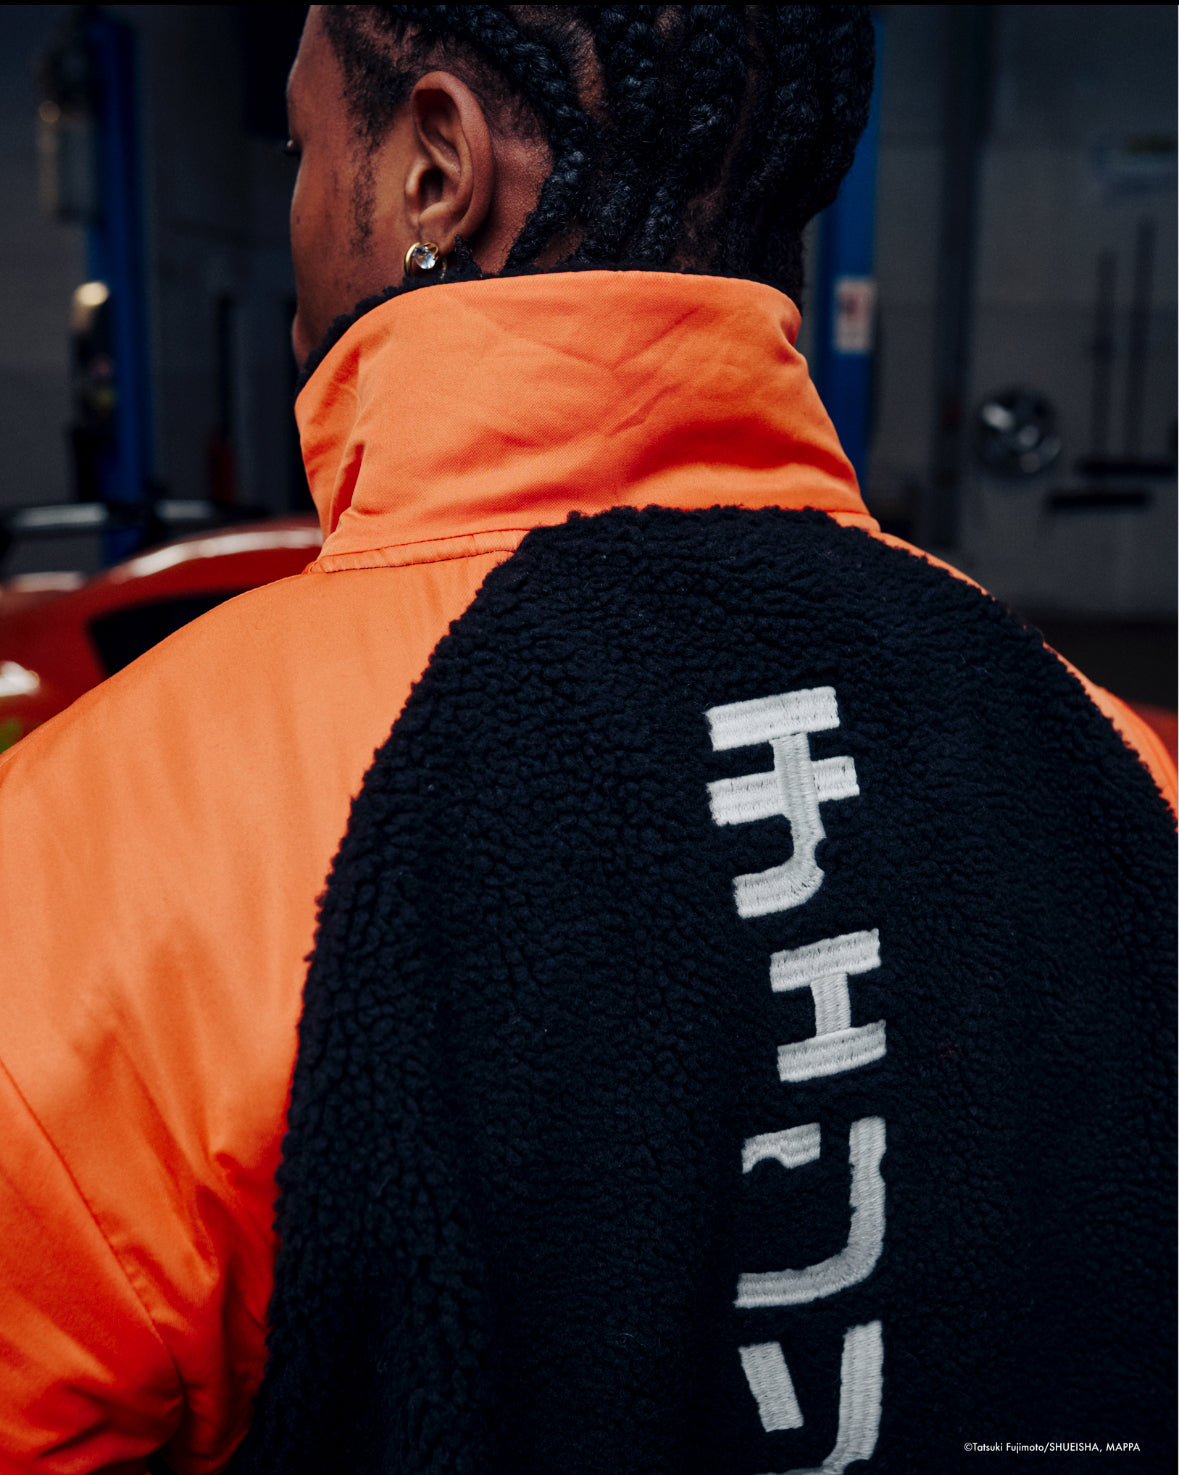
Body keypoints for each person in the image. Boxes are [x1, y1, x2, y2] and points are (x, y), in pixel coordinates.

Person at [0, 7, 1173, 1472]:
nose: (292, 208)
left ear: (435, 170)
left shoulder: (100, 856)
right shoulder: (1105, 766)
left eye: (301, 149)